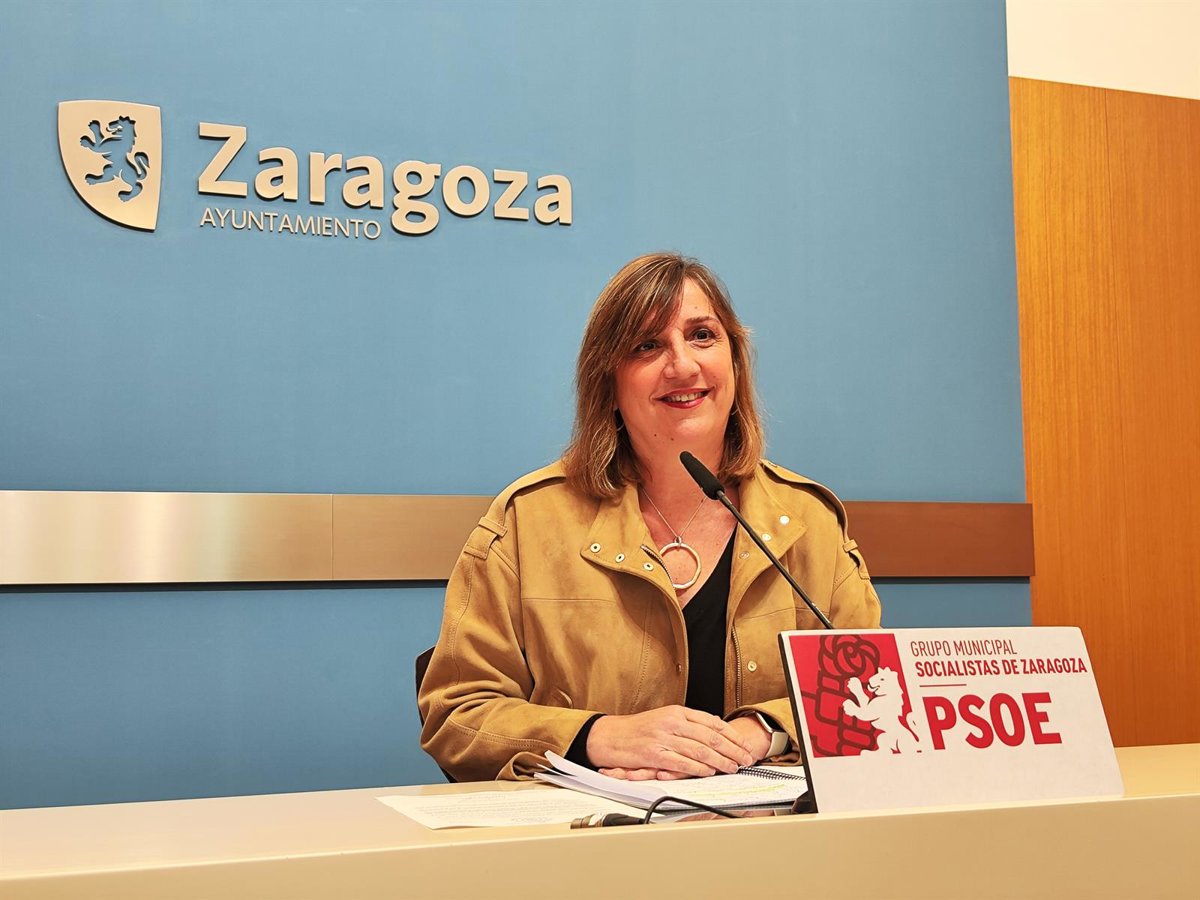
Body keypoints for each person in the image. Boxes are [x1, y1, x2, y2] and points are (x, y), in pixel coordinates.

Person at [418, 253, 881, 782]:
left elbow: (869, 691)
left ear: (735, 363)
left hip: (771, 829)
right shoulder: (527, 521)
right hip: (590, 832)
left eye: (702, 336)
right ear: (609, 383)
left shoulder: (809, 520)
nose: (683, 365)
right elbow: (456, 714)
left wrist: (763, 731)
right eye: (647, 345)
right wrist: (598, 736)